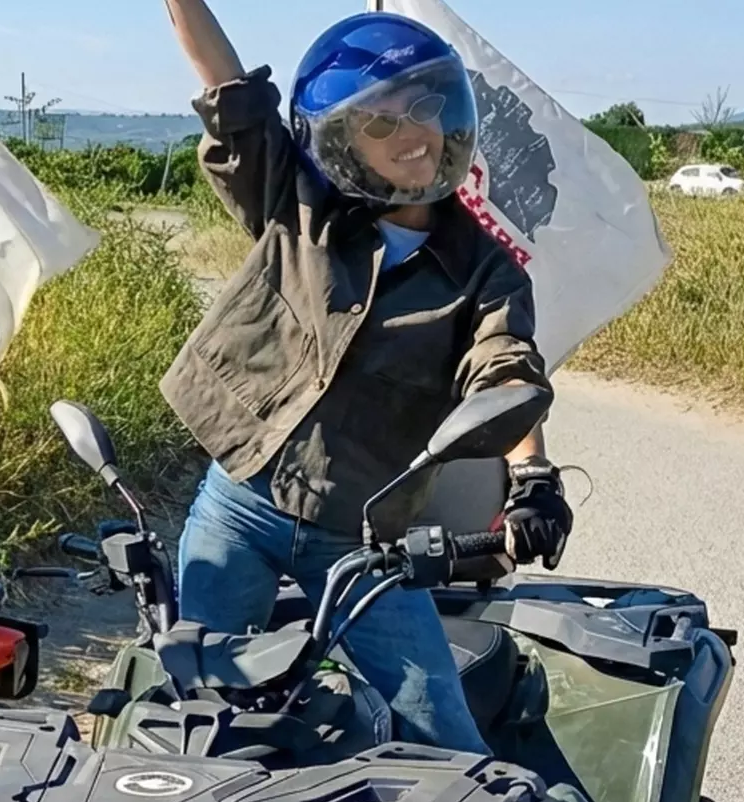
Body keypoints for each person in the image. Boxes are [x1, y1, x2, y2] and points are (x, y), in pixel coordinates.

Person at [159, 2, 574, 754]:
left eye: (425, 108)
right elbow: (229, 92)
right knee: (200, 715)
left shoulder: (484, 270)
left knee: (444, 738)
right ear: (345, 141)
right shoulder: (296, 201)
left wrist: (532, 479)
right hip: (239, 500)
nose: (412, 134)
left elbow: (503, 371)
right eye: (380, 124)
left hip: (360, 536)